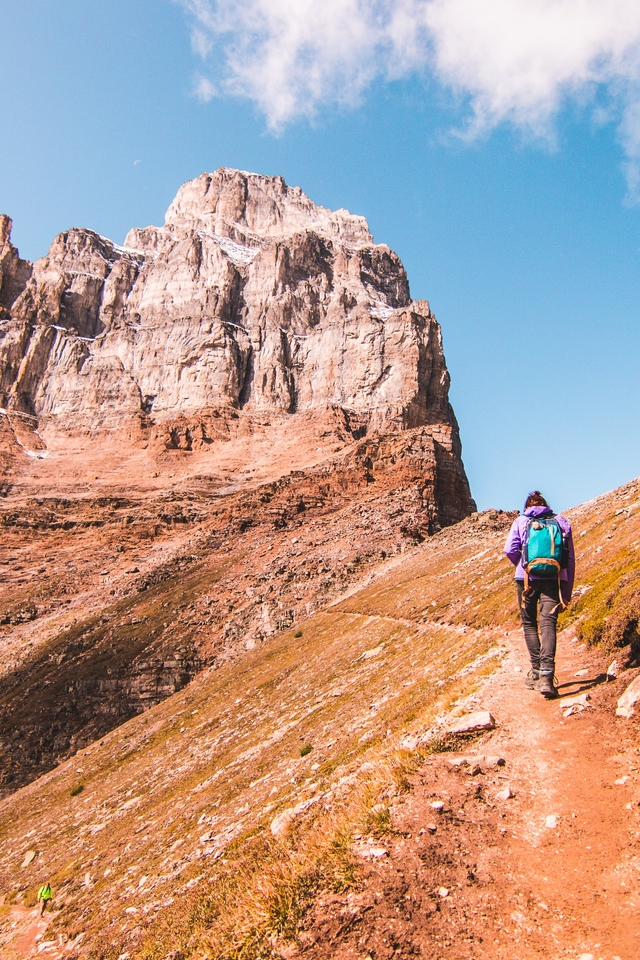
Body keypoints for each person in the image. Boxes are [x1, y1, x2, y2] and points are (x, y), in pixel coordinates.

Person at [504, 491, 575, 698]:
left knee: (529, 624)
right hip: (554, 580)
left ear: (527, 506)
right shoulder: (560, 521)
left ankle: (535, 671)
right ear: (546, 506)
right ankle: (547, 677)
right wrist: (566, 591)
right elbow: (569, 559)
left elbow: (510, 549)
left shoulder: (521, 521)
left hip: (526, 580)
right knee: (548, 625)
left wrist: (523, 565)